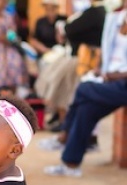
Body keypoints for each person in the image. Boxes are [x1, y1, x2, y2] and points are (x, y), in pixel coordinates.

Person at [44, 0, 127, 177]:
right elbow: (105, 48)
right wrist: (99, 68)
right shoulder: (114, 19)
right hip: (108, 80)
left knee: (83, 88)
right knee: (86, 110)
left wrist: (113, 76)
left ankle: (63, 135)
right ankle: (71, 164)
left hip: (121, 82)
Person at [34, 0, 105, 132]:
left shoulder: (94, 12)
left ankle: (67, 127)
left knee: (66, 96)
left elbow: (70, 30)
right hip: (75, 58)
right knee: (63, 95)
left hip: (80, 61)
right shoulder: (94, 12)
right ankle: (64, 125)